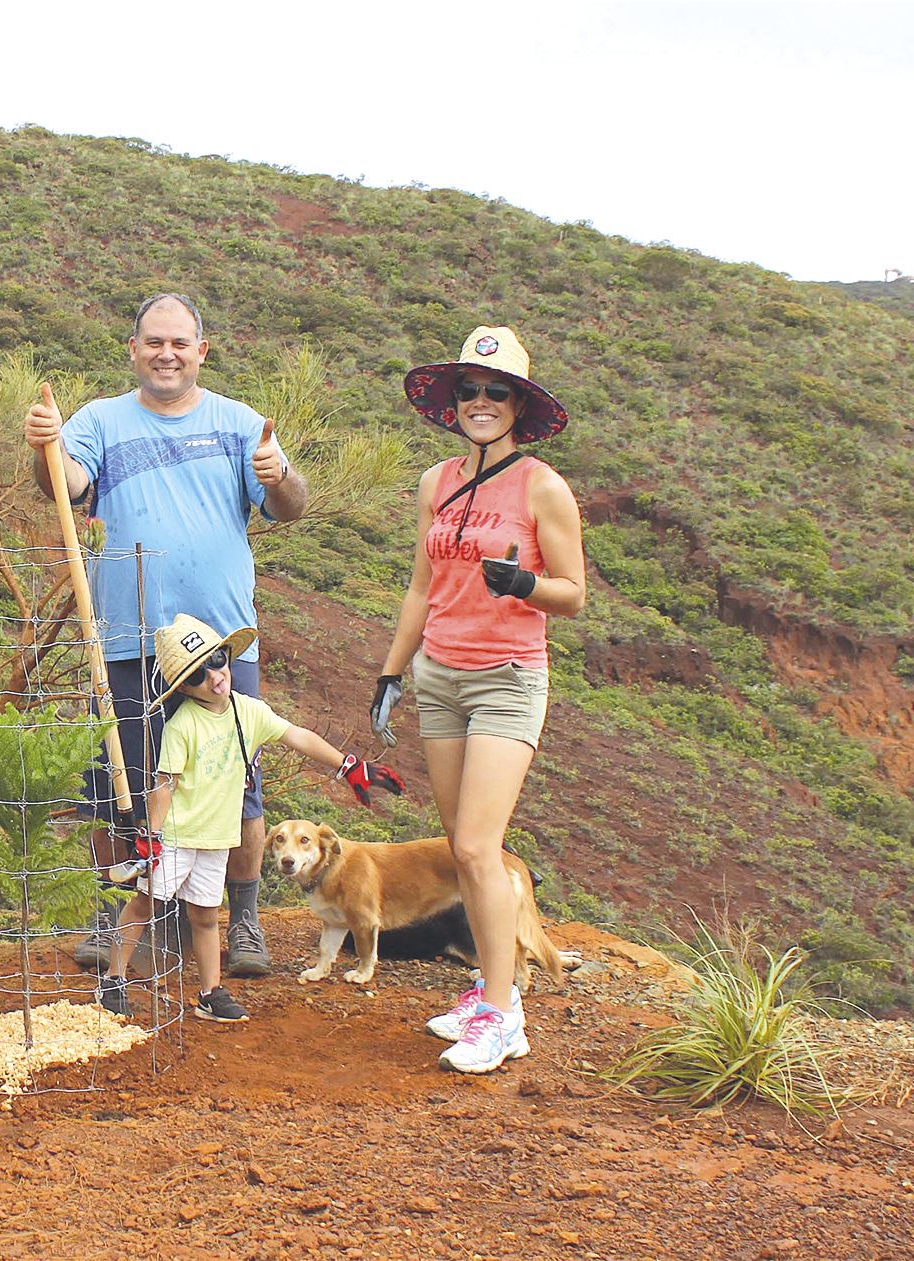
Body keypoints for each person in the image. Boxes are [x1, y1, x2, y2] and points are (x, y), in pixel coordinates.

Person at [23, 293, 309, 979]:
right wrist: (46, 445)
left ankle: (239, 916)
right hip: (126, 637)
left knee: (233, 784)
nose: (166, 353)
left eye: (179, 342)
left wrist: (280, 474)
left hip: (222, 640)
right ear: (133, 348)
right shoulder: (98, 420)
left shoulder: (239, 423)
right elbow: (64, 484)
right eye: (154, 341)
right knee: (115, 780)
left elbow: (288, 504)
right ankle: (109, 909)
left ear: (200, 351)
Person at [369, 325, 585, 1074]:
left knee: (473, 845)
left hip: (506, 677)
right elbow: (423, 585)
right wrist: (393, 672)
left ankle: (503, 1011)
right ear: (452, 400)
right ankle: (488, 987)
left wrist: (525, 584)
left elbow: (573, 592)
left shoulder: (541, 486)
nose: (481, 402)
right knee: (460, 843)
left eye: (497, 391)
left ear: (518, 405)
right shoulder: (437, 481)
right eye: (470, 390)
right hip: (441, 677)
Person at [97, 616, 402, 1023]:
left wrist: (347, 766)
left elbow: (297, 735)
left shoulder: (249, 712)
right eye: (197, 674)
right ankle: (113, 981)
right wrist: (151, 836)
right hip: (177, 835)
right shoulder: (183, 724)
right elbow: (164, 785)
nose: (214, 676)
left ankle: (210, 992)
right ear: (184, 687)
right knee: (145, 904)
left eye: (217, 660)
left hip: (217, 838)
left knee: (206, 915)